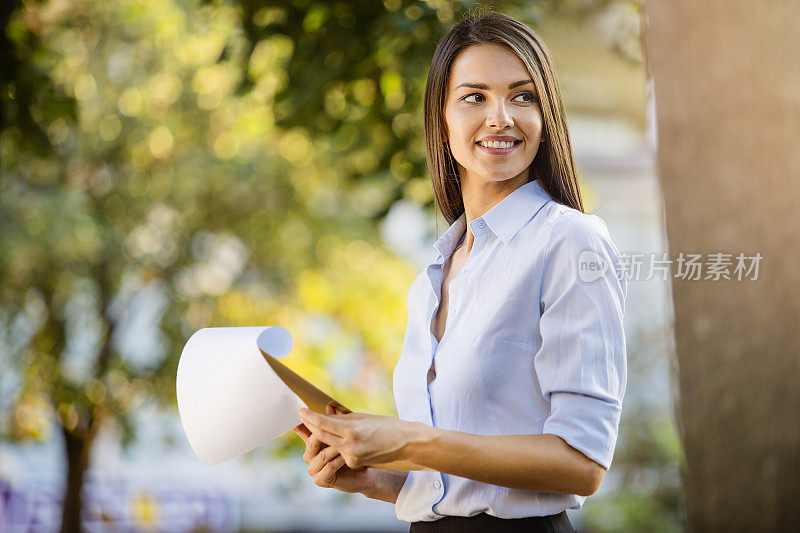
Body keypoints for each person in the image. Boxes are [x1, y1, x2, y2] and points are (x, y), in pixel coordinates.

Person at [293, 10, 627, 532]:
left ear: (546, 116)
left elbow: (582, 465)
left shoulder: (569, 241)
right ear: (442, 118)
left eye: (523, 96)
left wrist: (404, 441)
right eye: (474, 97)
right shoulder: (434, 273)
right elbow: (451, 484)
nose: (500, 117)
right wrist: (372, 476)